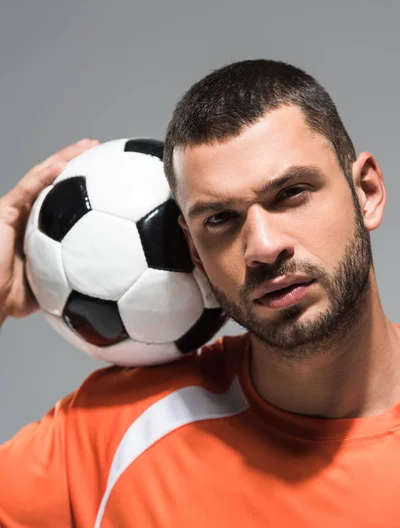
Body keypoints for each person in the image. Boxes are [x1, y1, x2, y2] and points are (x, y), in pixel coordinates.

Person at [0, 59, 399, 528]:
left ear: (367, 191)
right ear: (192, 246)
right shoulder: (115, 435)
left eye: (291, 193)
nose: (264, 248)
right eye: (220, 219)